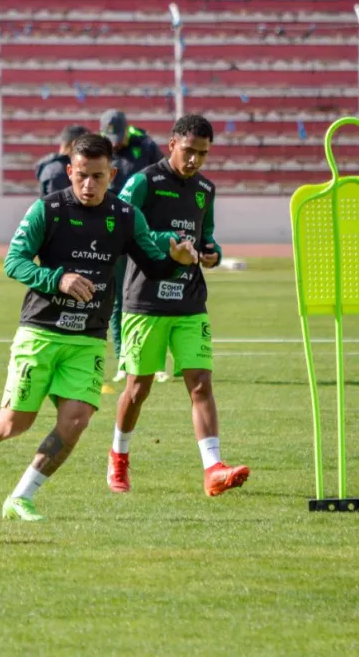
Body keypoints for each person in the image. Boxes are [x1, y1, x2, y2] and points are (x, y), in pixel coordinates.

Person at [0, 133, 201, 522]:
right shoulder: (46, 210)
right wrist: (58, 279)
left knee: (77, 420)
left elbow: (153, 264)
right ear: (70, 170)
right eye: (81, 175)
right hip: (41, 332)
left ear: (112, 175)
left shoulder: (125, 217)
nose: (88, 185)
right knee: (15, 422)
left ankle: (20, 497)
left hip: (87, 338)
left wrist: (179, 260)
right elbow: (13, 261)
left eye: (98, 177)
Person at [107, 114, 250, 497]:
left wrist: (211, 253)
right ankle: (118, 458)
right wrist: (166, 239)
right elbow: (120, 226)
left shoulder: (205, 188)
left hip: (189, 300)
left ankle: (213, 469)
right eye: (189, 151)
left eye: (203, 154)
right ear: (172, 144)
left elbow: (209, 238)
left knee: (200, 384)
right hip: (146, 301)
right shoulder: (143, 183)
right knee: (138, 389)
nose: (195, 161)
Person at [98, 109, 165, 383]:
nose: (116, 143)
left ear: (128, 129)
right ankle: (124, 359)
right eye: (110, 137)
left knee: (152, 298)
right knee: (118, 301)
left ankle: (156, 362)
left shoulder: (147, 147)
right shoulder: (101, 149)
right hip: (114, 232)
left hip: (145, 233)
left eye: (119, 136)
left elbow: (163, 183)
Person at [34, 124, 88, 197]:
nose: (88, 150)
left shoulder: (54, 166)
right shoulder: (59, 172)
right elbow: (57, 206)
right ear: (75, 144)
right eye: (85, 144)